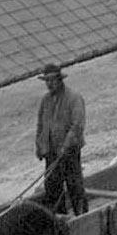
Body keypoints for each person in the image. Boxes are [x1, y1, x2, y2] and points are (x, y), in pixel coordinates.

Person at [35, 63, 87, 215]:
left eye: (52, 80)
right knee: (52, 186)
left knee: (74, 186)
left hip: (69, 152)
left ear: (59, 79)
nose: (49, 84)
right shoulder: (45, 100)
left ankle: (82, 216)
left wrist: (66, 145)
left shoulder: (74, 98)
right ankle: (60, 219)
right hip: (51, 153)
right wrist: (39, 146)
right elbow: (40, 125)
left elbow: (77, 125)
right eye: (47, 81)